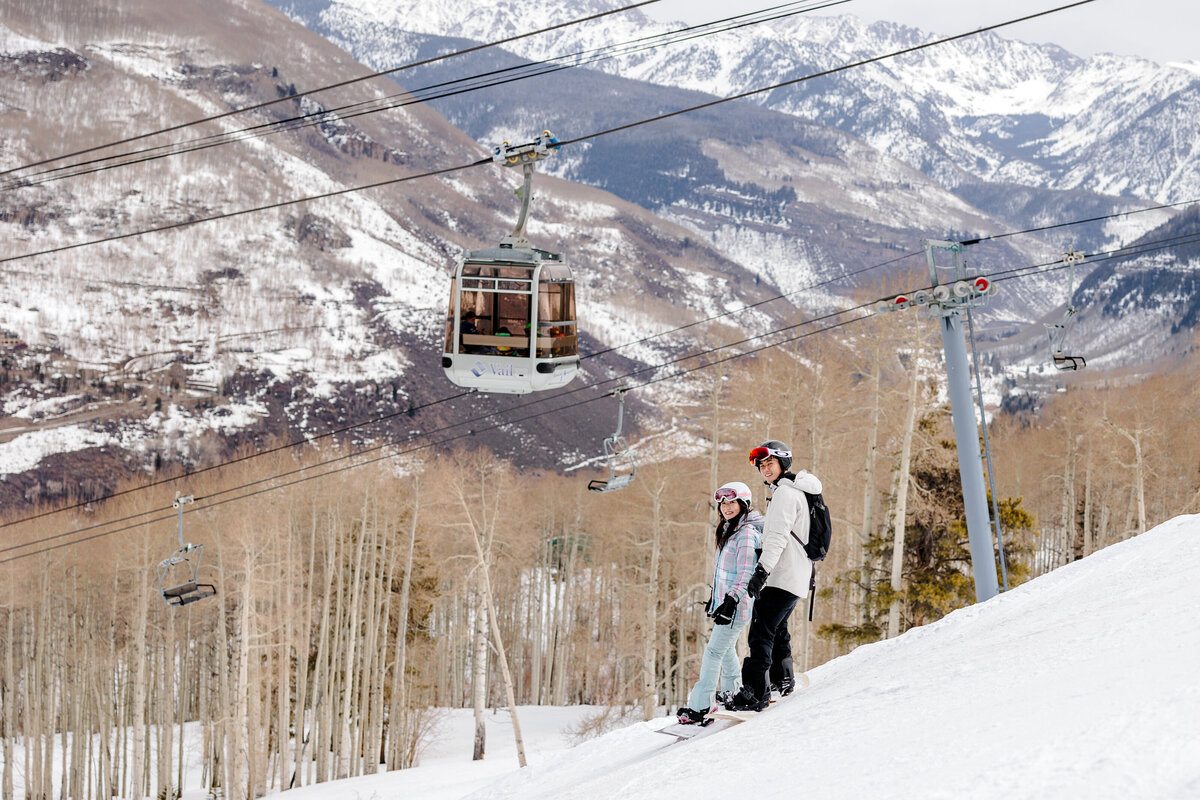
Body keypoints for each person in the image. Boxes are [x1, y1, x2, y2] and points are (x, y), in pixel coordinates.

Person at [724, 440, 822, 712]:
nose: (765, 469)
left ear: (783, 464)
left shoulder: (785, 495)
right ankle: (783, 679)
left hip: (782, 575)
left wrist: (761, 572)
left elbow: (777, 538)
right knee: (777, 627)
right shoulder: (794, 491)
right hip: (796, 575)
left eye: (770, 463)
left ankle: (754, 694)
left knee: (760, 633)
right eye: (762, 465)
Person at [676, 481, 764, 724]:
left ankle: (701, 706)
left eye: (732, 502)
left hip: (736, 605)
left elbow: (746, 572)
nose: (726, 507)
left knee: (713, 652)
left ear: (744, 504)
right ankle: (733, 691)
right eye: (723, 503)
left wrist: (730, 602)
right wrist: (716, 601)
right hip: (727, 604)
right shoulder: (729, 530)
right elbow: (724, 573)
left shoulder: (746, 534)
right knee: (724, 651)